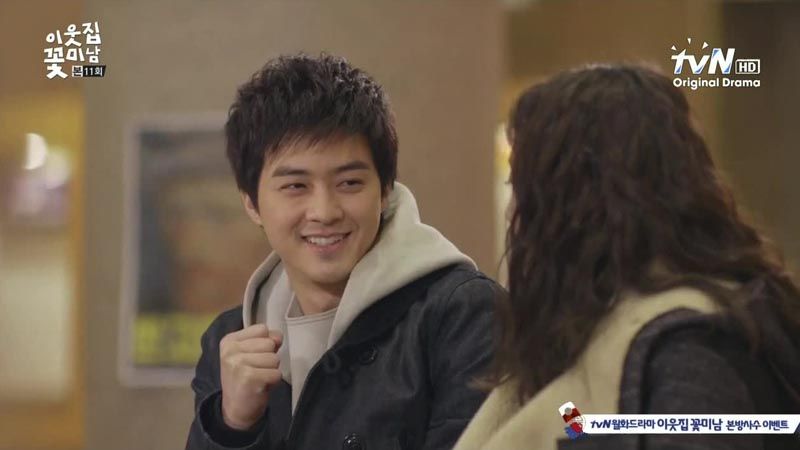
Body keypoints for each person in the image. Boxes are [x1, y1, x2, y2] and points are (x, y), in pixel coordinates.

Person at [455, 64, 800, 450]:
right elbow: (578, 428)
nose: (511, 212)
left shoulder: (687, 347)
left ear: (572, 203)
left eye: (521, 190)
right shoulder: (578, 337)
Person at [185, 54, 499, 450]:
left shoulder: (464, 316)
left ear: (385, 191)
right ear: (251, 203)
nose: (325, 212)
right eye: (295, 186)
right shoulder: (231, 340)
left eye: (349, 183)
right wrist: (231, 425)